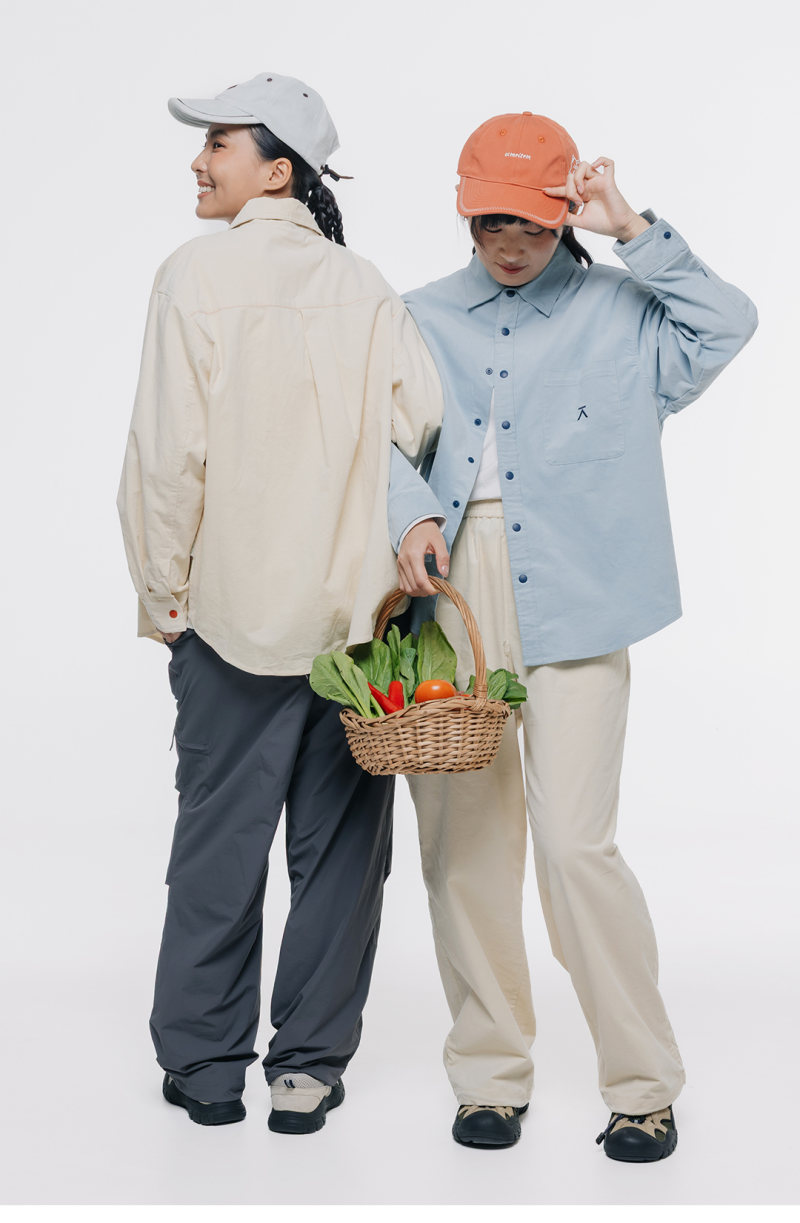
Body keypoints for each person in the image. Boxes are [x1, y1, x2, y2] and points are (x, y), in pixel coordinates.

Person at [389, 111, 757, 1158]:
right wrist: (405, 514)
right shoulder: (415, 315)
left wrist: (630, 227)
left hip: (583, 590)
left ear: (563, 216)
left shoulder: (624, 309)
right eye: (490, 222)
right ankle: (488, 1075)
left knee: (572, 845)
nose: (510, 244)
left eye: (533, 223)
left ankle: (641, 1083)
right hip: (452, 593)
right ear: (464, 214)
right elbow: (376, 437)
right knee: (464, 848)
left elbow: (728, 323)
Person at [117, 72, 442, 1134]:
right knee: (341, 857)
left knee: (216, 846)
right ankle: (306, 1070)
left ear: (277, 170)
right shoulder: (366, 285)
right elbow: (419, 422)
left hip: (230, 616)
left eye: (218, 142)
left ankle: (208, 1068)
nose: (198, 160)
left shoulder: (195, 274)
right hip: (353, 631)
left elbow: (168, 456)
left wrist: (164, 597)